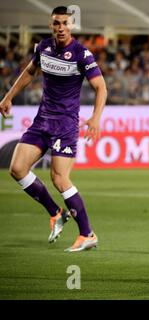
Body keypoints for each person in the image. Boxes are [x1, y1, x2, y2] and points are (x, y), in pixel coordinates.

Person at [0, 6, 107, 252]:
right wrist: (8, 97)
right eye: (56, 23)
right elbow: (29, 72)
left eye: (65, 23)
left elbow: (101, 87)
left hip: (65, 124)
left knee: (59, 178)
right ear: (51, 25)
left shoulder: (82, 54)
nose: (61, 28)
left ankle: (87, 233)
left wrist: (96, 118)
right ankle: (55, 212)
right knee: (17, 169)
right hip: (42, 121)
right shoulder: (43, 48)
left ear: (71, 25)